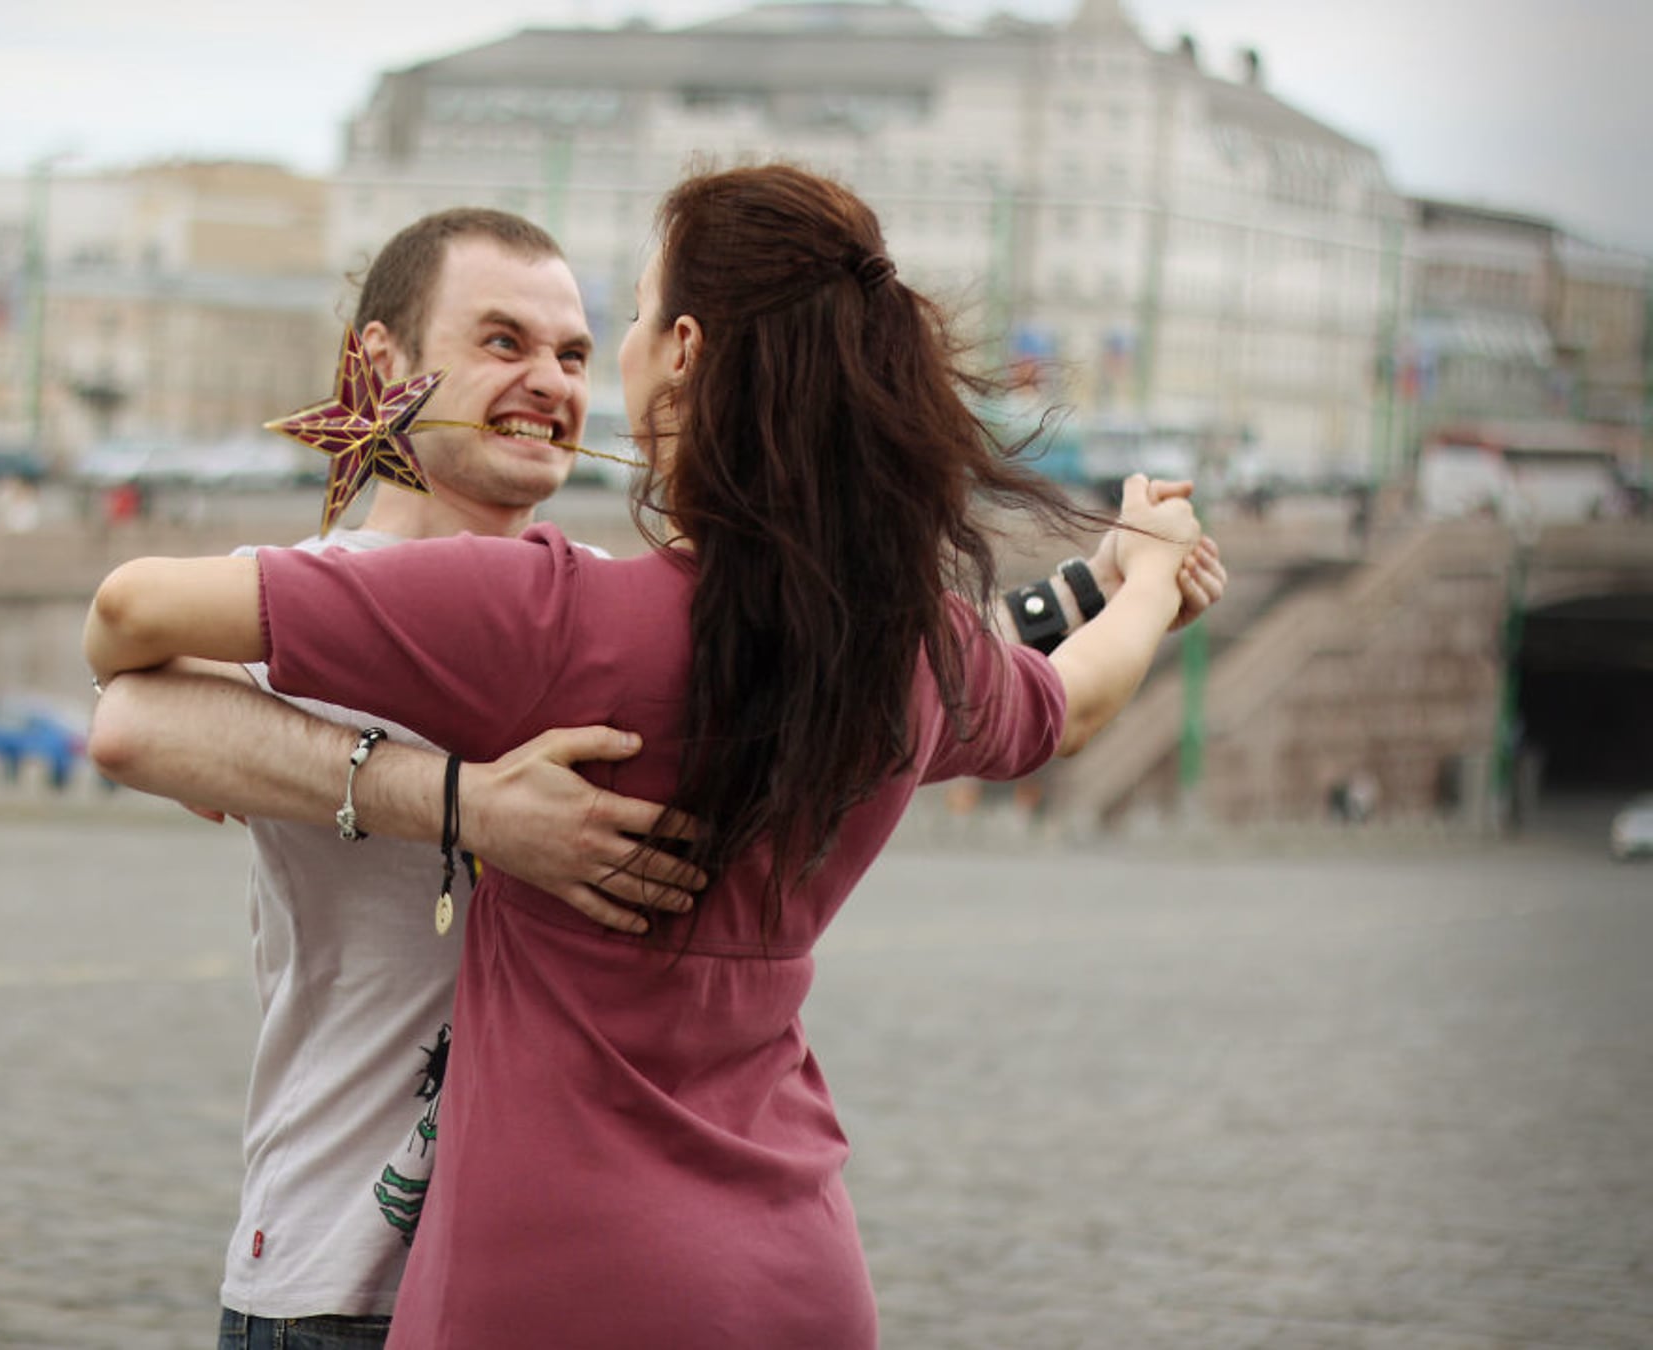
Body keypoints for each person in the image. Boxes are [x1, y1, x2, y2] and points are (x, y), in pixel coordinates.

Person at [87, 164, 1211, 1347]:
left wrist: (1097, 584)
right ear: (380, 365)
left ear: (674, 355)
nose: (552, 378)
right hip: (366, 1267)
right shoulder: (370, 600)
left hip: (525, 1272)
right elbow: (129, 722)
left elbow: (905, 653)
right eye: (503, 341)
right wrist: (465, 805)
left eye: (580, 348)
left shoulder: (577, 609)